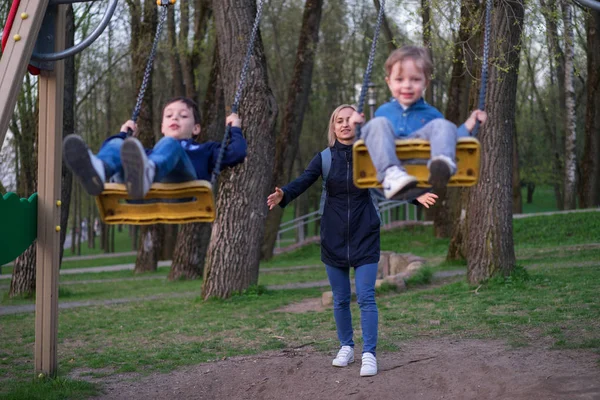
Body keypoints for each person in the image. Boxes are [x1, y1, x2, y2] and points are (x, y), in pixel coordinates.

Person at [267, 104, 437, 377]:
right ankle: (346, 346)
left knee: (367, 297)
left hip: (365, 234)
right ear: (333, 127)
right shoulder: (323, 158)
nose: (345, 124)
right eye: (339, 121)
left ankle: (369, 353)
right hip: (333, 237)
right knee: (340, 299)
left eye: (350, 120)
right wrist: (283, 194)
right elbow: (303, 181)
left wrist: (414, 194)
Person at [351, 45, 488, 199]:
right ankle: (391, 175)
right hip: (389, 169)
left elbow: (450, 138)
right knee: (377, 124)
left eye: (415, 79)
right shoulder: (382, 113)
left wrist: (471, 123)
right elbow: (369, 143)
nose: (407, 85)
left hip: (423, 167)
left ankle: (442, 165)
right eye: (399, 79)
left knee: (443, 125)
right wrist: (358, 126)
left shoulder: (432, 115)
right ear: (389, 82)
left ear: (425, 83)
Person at [62, 97, 247, 199]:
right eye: (169, 116)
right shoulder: (145, 155)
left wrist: (235, 129)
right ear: (162, 127)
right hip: (140, 193)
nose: (174, 118)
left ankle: (148, 174)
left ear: (196, 128)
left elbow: (237, 153)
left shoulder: (207, 150)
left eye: (183, 116)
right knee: (120, 145)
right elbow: (117, 150)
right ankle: (99, 171)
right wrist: (123, 134)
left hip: (183, 189)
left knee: (169, 145)